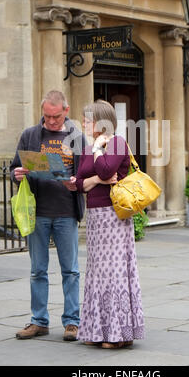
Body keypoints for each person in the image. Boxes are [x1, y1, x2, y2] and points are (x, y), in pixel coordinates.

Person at [10, 90, 87, 341]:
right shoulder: (30, 135)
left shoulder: (76, 137)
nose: (51, 121)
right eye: (47, 116)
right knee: (37, 270)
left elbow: (86, 172)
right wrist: (17, 174)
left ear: (65, 111)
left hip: (66, 212)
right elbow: (14, 168)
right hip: (38, 213)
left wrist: (78, 182)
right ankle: (39, 321)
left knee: (71, 271)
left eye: (55, 116)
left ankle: (72, 322)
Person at [72, 100, 144, 349]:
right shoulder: (88, 147)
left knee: (114, 273)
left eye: (87, 119)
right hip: (95, 217)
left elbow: (105, 170)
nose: (83, 123)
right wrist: (97, 180)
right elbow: (80, 183)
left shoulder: (117, 143)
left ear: (101, 121)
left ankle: (119, 334)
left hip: (114, 217)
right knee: (96, 274)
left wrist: (98, 158)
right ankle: (97, 330)